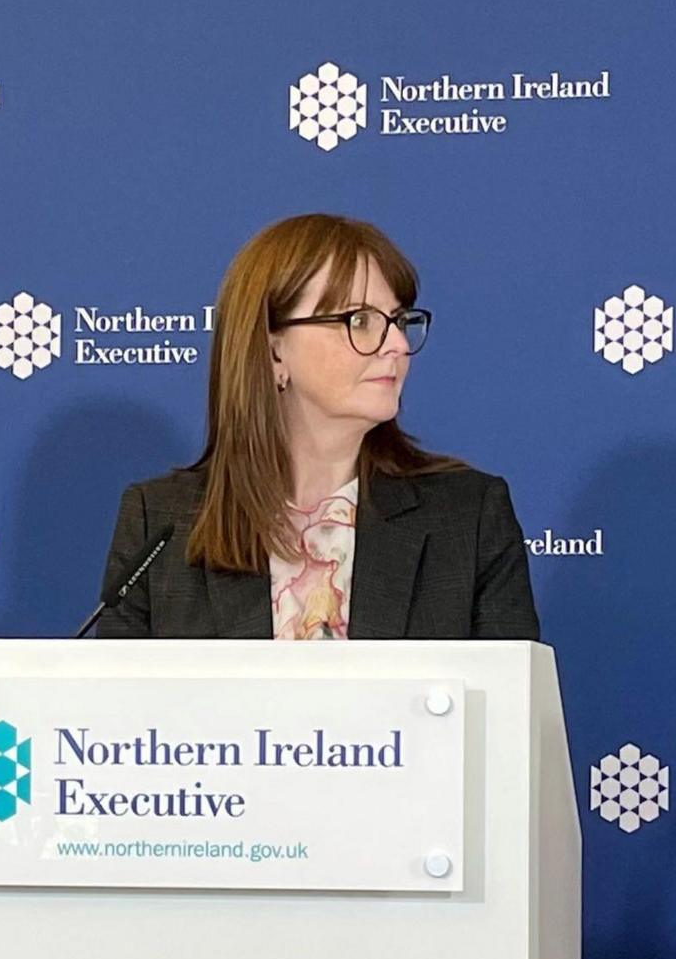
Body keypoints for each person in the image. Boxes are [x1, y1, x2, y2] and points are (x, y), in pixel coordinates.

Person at [90, 214, 539, 640]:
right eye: (360, 321)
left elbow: (508, 711)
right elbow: (118, 713)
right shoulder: (160, 522)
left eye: (399, 320)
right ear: (274, 352)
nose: (398, 345)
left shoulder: (468, 517)